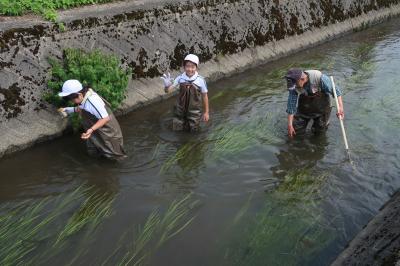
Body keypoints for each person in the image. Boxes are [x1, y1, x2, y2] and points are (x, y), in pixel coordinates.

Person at [58, 79, 127, 160]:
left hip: (107, 131)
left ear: (79, 94)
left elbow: (105, 118)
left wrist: (90, 130)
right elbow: (83, 107)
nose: (71, 100)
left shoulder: (92, 101)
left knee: (114, 154)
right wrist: (69, 109)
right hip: (95, 129)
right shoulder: (84, 97)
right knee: (94, 151)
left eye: (71, 98)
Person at [285, 68, 344, 138]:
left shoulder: (320, 78)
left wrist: (340, 107)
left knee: (319, 132)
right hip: (304, 109)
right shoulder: (294, 86)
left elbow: (336, 92)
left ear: (302, 79)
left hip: (322, 108)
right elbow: (291, 105)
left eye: (295, 84)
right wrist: (290, 125)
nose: (294, 86)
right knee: (295, 131)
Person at [161, 54, 210, 132]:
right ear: (184, 67)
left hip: (195, 110)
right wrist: (167, 86)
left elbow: (205, 96)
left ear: (196, 67)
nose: (190, 69)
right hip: (180, 109)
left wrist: (206, 112)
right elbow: (168, 91)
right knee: (177, 128)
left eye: (192, 67)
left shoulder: (201, 80)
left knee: (193, 130)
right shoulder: (180, 78)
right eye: (187, 66)